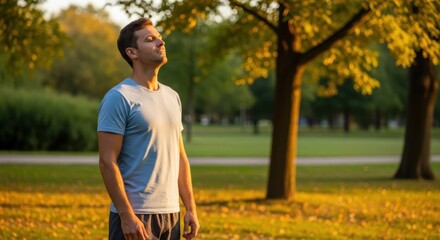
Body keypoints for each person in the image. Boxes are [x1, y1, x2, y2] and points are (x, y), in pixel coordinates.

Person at [97, 17, 199, 240]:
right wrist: (126, 216)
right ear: (132, 53)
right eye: (151, 40)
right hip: (136, 216)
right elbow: (107, 161)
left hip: (171, 213)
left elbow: (180, 157)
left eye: (160, 38)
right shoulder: (119, 97)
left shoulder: (173, 97)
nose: (161, 43)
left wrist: (190, 207)